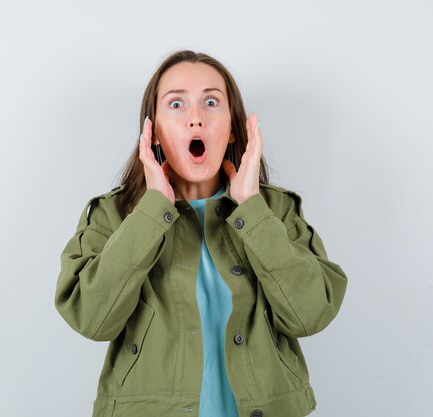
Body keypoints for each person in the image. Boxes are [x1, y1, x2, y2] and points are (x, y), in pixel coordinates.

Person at [54, 49, 348, 417]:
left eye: (211, 102)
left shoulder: (275, 210)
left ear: (232, 129)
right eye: (176, 104)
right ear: (154, 132)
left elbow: (311, 314)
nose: (196, 119)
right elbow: (91, 318)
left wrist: (251, 210)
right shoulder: (114, 214)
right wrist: (152, 211)